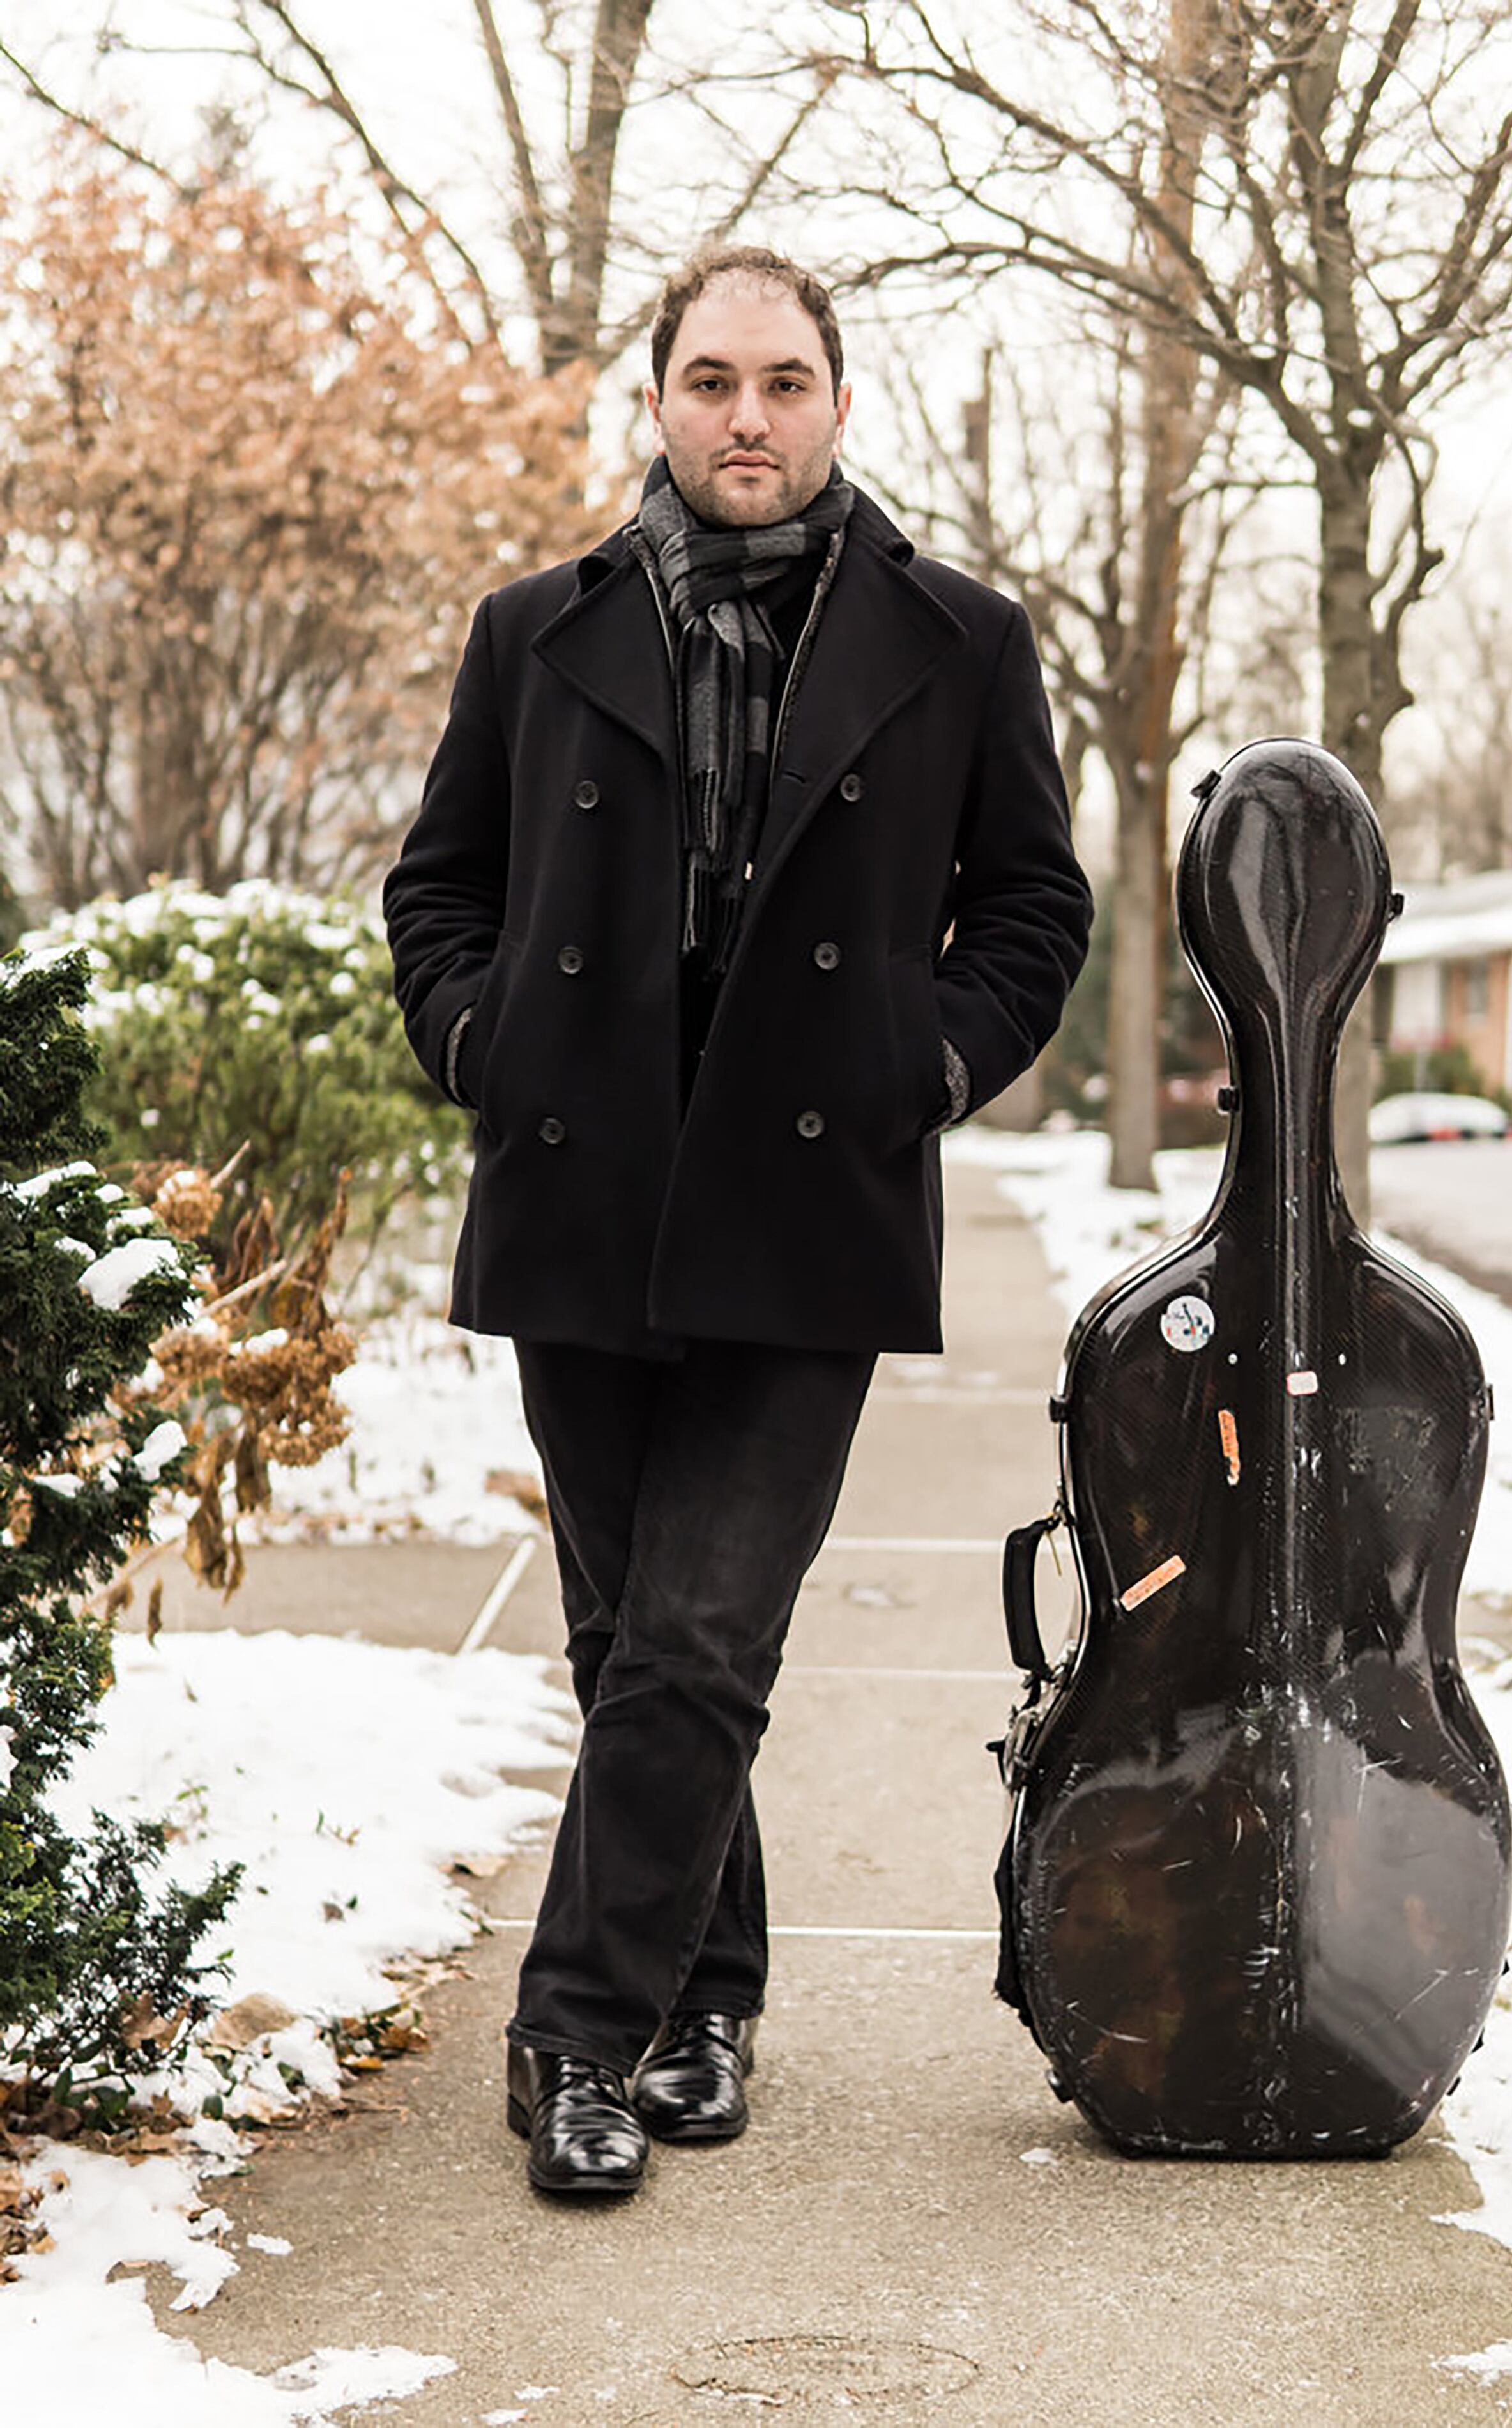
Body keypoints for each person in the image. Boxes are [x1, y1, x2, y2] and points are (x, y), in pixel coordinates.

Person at [384, 245, 1092, 2197]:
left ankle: (575, 2035)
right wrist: (480, 1042)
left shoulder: (959, 638)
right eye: (710, 382)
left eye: (783, 382)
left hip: (804, 1204)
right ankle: (708, 1998)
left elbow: (1033, 912)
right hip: (581, 1193)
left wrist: (918, 1071)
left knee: (700, 1637)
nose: (747, 419)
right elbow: (435, 888)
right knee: (636, 1649)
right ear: (660, 404)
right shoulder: (535, 632)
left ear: (839, 404)